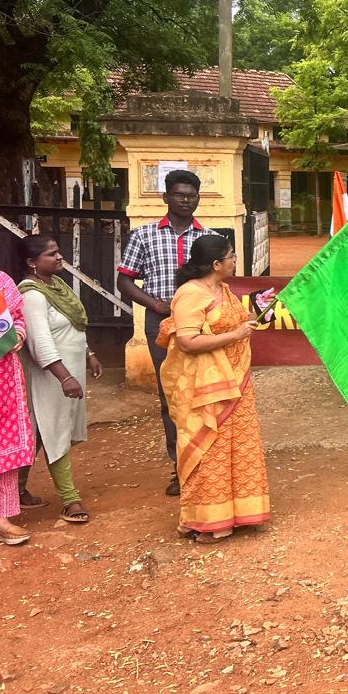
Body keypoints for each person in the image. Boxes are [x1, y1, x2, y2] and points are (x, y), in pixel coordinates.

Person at [156, 235, 269, 543]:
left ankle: (242, 513)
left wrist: (261, 310)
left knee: (239, 447)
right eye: (231, 256)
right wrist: (235, 335)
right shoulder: (190, 294)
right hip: (204, 386)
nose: (235, 261)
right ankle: (210, 521)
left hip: (237, 383)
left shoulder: (223, 289)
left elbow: (241, 319)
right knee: (210, 449)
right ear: (216, 264)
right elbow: (188, 342)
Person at [116, 169, 216, 496]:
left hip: (202, 326)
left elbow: (223, 282)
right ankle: (180, 468)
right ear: (166, 197)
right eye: (179, 194)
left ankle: (209, 465)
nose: (186, 200)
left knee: (204, 392)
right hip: (161, 326)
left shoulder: (210, 239)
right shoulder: (143, 236)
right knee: (171, 395)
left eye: (192, 195)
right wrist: (154, 305)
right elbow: (125, 281)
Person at [16, 235, 100, 523]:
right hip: (50, 375)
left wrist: (89, 355)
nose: (59, 256)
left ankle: (16, 490)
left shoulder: (56, 286)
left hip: (69, 371)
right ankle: (70, 499)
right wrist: (65, 378)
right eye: (51, 254)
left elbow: (73, 325)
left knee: (41, 431)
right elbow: (40, 343)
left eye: (58, 251)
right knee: (55, 430)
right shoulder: (31, 295)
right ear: (31, 262)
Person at [0, 225, 32, 546]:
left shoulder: (1, 281)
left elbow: (17, 316)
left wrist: (17, 333)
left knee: (1, 444)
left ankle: (0, 519)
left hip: (0, 376)